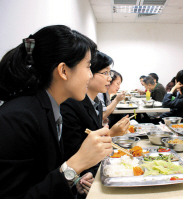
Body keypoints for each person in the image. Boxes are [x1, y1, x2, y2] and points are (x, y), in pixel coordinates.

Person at [0, 25, 113, 198]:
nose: (90, 75)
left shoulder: (50, 108)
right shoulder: (19, 117)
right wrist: (75, 165)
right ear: (63, 71)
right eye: (88, 67)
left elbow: (44, 178)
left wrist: (74, 182)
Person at [60, 51, 130, 183]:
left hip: (93, 169)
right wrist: (111, 133)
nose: (109, 78)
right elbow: (74, 153)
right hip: (77, 177)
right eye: (105, 73)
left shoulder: (96, 104)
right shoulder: (70, 105)